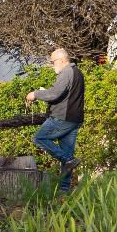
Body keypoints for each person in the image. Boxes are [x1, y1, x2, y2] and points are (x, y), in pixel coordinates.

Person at [25, 47, 85, 190]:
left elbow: (54, 94)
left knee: (39, 138)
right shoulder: (78, 73)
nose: (52, 65)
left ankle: (69, 160)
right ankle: (64, 192)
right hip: (74, 120)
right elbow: (64, 95)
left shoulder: (66, 73)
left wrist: (36, 94)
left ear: (62, 59)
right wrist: (47, 93)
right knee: (67, 156)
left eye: (53, 62)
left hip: (62, 118)